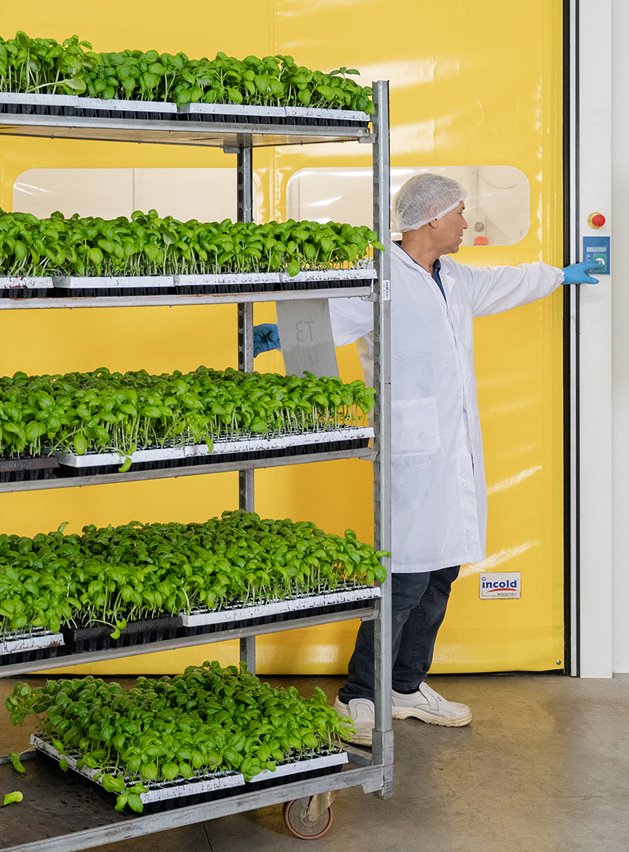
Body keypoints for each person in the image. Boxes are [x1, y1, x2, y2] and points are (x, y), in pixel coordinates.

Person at [254, 172, 602, 745]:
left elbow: (505, 284)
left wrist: (559, 276)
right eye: (461, 213)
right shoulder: (380, 275)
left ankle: (407, 686)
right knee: (406, 573)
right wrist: (277, 332)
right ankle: (360, 696)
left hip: (455, 447)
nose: (467, 223)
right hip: (411, 447)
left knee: (443, 570)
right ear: (433, 219)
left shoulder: (455, 278)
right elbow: (327, 320)